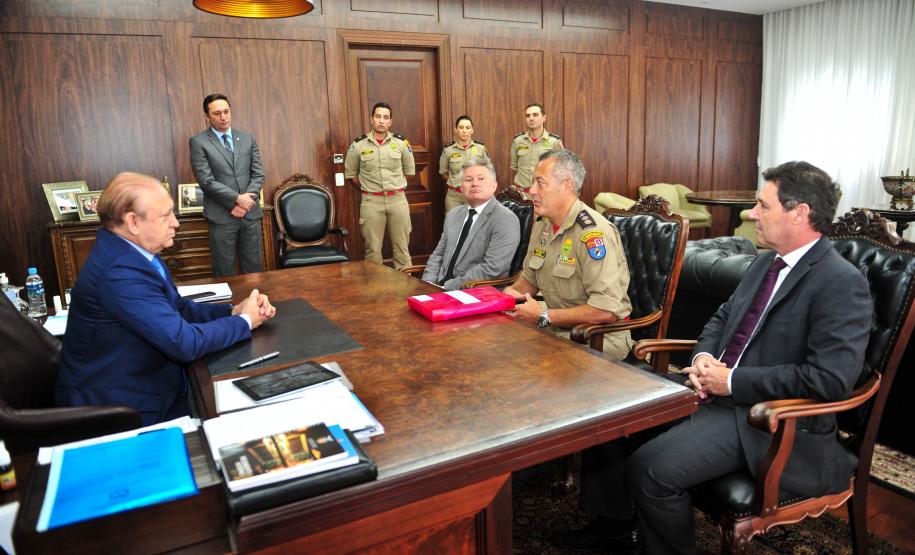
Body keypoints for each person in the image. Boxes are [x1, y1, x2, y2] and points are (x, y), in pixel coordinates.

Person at [554, 161, 875, 554]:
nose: (752, 214)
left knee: (651, 469)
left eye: (763, 206)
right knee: (608, 416)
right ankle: (614, 531)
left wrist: (733, 381)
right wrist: (705, 355)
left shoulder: (842, 283)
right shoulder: (764, 262)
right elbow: (723, 317)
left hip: (766, 419)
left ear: (799, 213)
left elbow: (829, 379)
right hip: (714, 390)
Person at [56, 172, 277, 426]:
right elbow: (184, 343)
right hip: (123, 408)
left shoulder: (135, 251)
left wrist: (231, 311)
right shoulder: (119, 272)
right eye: (165, 216)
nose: (176, 223)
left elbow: (177, 307)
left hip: (153, 386)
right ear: (133, 222)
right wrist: (245, 321)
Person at [503, 150, 632, 360]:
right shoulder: (543, 225)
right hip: (556, 329)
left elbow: (606, 310)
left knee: (529, 367)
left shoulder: (592, 233)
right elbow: (528, 281)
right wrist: (505, 298)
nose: (531, 190)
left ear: (567, 186)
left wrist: (544, 316)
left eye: (540, 183)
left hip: (598, 337)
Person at [189, 93, 265, 277]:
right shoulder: (198, 142)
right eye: (217, 113)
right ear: (206, 117)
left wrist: (244, 203)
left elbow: (258, 174)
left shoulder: (247, 138)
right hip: (221, 217)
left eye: (226, 111)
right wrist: (237, 199)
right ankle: (228, 307)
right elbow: (206, 181)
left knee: (254, 269)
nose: (223, 117)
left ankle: (257, 305)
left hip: (250, 215)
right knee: (224, 271)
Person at [422, 158, 520, 290]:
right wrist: (427, 284)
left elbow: (491, 269)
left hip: (476, 292)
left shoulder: (505, 219)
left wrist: (446, 288)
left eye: (481, 179)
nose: (475, 184)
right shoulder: (453, 215)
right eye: (468, 180)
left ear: (494, 185)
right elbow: (438, 255)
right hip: (440, 288)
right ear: (462, 188)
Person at [344, 102, 416, 269]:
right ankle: (375, 293)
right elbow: (351, 175)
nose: (381, 121)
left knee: (402, 248)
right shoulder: (358, 145)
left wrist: (396, 187)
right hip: (371, 202)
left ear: (390, 121)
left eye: (385, 117)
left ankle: (406, 290)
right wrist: (369, 190)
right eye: (378, 116)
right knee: (372, 251)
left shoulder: (401, 144)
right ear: (371, 119)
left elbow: (410, 173)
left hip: (398, 200)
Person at [438, 115, 491, 213]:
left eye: (468, 127)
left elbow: (488, 170)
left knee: (476, 225)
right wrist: (457, 183)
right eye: (461, 127)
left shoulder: (480, 149)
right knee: (453, 226)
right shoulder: (448, 150)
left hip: (476, 194)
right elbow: (443, 173)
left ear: (472, 130)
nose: (464, 131)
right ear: (456, 129)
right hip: (454, 197)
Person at [510, 103, 564, 196]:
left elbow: (561, 168)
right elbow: (515, 166)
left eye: (535, 115)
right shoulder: (518, 141)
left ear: (544, 118)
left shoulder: (554, 142)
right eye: (528, 116)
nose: (531, 118)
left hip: (545, 194)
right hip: (522, 195)